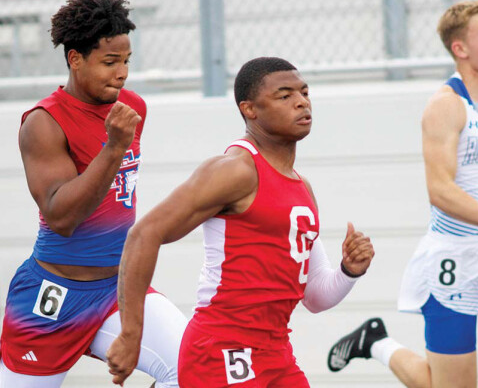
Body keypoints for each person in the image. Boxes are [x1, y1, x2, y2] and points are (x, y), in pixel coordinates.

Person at [105, 56, 375, 387]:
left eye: (304, 92)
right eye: (285, 95)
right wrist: (131, 334)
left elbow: (316, 298)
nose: (302, 101)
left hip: (275, 353)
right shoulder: (235, 170)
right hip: (222, 349)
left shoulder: (302, 189)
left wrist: (350, 271)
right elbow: (144, 234)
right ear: (250, 109)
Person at [327, 0, 478, 388]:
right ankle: (377, 343)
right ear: (460, 48)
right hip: (452, 266)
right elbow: (440, 191)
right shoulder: (445, 107)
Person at [0, 0, 187, 388]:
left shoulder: (130, 108)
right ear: (75, 59)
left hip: (116, 289)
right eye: (109, 62)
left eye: (126, 61)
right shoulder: (43, 122)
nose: (121, 73)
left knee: (192, 367)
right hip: (52, 295)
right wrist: (114, 148)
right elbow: (61, 217)